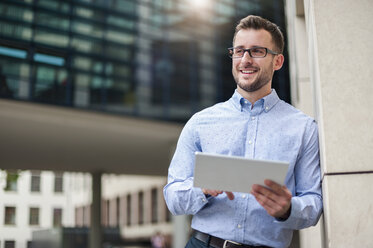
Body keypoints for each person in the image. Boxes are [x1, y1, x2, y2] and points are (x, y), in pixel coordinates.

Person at [163, 15, 322, 248]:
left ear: (277, 62)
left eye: (257, 51)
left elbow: (314, 203)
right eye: (239, 51)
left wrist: (289, 209)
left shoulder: (303, 128)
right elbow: (173, 198)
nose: (245, 60)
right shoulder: (200, 122)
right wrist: (202, 188)